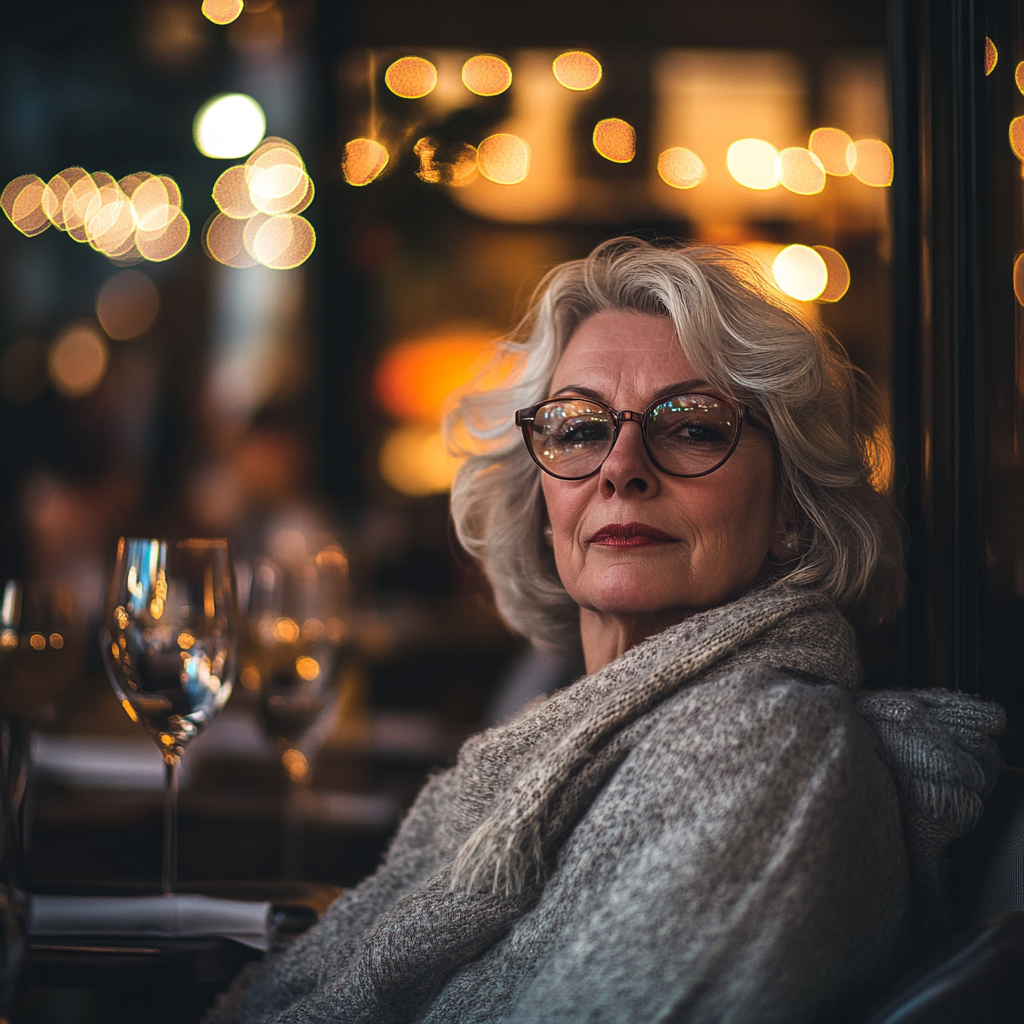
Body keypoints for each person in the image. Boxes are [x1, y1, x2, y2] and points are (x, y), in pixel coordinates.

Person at [207, 239, 1004, 1024]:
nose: (621, 466)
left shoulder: (767, 750)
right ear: (540, 499)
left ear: (792, 509)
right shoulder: (560, 747)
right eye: (581, 429)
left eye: (692, 425)